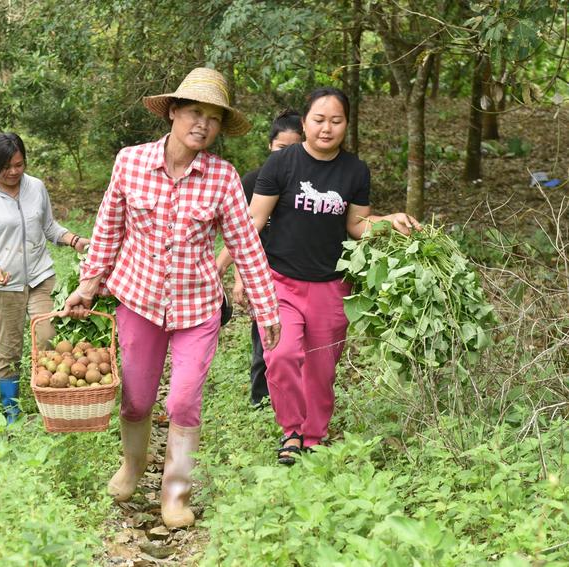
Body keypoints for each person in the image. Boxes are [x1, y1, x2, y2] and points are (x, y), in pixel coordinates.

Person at [61, 68, 281, 528]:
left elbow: (245, 244)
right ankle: (133, 466)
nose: (202, 124)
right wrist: (87, 284)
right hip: (137, 300)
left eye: (213, 118)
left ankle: (175, 493)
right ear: (174, 113)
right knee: (136, 401)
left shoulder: (222, 177)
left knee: (183, 401)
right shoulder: (131, 162)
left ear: (220, 128)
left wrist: (266, 307)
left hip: (197, 307)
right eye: (194, 113)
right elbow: (108, 229)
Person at [218, 87, 420, 465]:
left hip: (331, 285)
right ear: (306, 121)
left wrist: (389, 222)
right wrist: (219, 266)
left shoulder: (355, 170)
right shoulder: (281, 165)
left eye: (336, 121)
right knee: (281, 354)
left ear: (346, 124)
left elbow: (357, 226)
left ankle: (314, 437)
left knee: (321, 369)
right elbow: (253, 222)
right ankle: (291, 430)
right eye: (319, 119)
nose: (327, 128)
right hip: (280, 282)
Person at [0, 132, 89, 424]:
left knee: (49, 339)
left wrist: (74, 240)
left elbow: (49, 227)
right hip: (5, 286)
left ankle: (55, 406)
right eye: (7, 167)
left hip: (41, 278)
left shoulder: (36, 188)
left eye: (19, 164)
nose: (14, 172)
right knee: (8, 350)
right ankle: (12, 414)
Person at [233, 109, 303, 408]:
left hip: (297, 274)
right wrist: (240, 278)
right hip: (262, 273)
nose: (287, 156)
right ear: (269, 146)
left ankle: (294, 399)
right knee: (263, 341)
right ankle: (260, 398)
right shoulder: (251, 182)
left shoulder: (306, 185)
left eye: (295, 149)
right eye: (281, 149)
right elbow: (242, 234)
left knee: (297, 345)